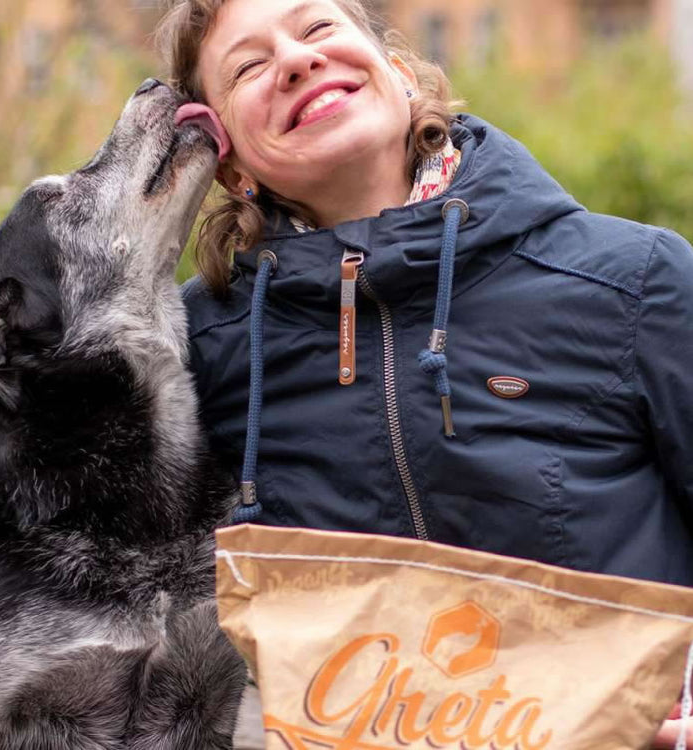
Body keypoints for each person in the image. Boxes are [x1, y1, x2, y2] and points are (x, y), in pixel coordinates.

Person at [158, 0, 693, 745]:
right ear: (228, 161)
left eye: (317, 28)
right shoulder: (190, 351)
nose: (295, 60)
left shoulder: (635, 283)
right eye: (248, 66)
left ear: (401, 73)